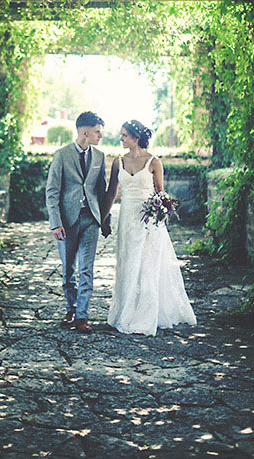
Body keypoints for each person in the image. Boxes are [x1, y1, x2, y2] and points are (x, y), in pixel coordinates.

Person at [102, 119, 196, 336]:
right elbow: (111, 193)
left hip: (149, 222)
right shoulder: (118, 162)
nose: (120, 139)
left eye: (124, 135)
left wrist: (160, 213)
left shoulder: (154, 162)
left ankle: (146, 313)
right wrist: (103, 219)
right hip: (127, 219)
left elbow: (160, 194)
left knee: (147, 266)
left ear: (136, 138)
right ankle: (125, 311)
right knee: (128, 262)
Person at [46, 111, 111, 334]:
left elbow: (101, 191)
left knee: (86, 270)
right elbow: (52, 192)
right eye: (97, 132)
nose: (100, 136)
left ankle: (82, 316)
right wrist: (56, 223)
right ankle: (71, 308)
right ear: (85, 132)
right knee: (68, 271)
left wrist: (105, 220)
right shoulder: (61, 155)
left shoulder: (100, 157)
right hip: (67, 221)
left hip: (90, 219)